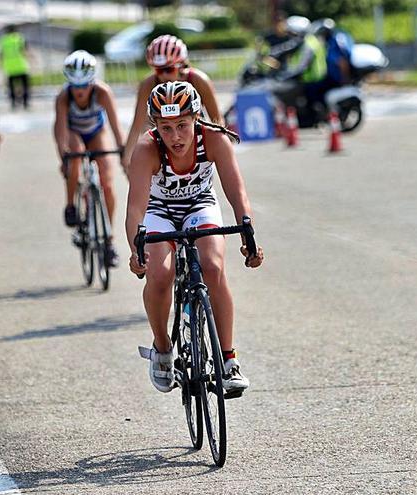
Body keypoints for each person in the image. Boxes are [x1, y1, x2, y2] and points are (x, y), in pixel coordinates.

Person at [125, 81, 264, 394]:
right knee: (160, 275)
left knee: (213, 267)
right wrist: (136, 249)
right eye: (166, 127)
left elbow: (236, 191)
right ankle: (162, 348)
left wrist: (248, 235)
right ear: (156, 126)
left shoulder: (214, 139)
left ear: (196, 119)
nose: (175, 137)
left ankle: (228, 360)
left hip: (200, 204)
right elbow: (136, 207)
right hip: (159, 210)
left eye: (182, 126)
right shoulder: (147, 148)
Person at [53, 50, 126, 267]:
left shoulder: (102, 92)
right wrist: (63, 158)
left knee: (107, 181)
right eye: (75, 87)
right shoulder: (63, 97)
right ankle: (70, 206)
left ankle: (109, 241)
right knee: (74, 156)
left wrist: (122, 150)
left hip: (96, 131)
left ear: (91, 82)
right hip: (73, 131)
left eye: (84, 86)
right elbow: (61, 132)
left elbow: (115, 126)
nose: (80, 91)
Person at [124, 35, 223, 168]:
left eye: (169, 69)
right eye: (159, 70)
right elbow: (137, 125)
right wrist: (127, 159)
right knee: (148, 129)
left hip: (192, 133)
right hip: (164, 134)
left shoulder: (199, 80)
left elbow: (217, 121)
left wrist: (222, 151)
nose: (163, 75)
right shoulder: (148, 84)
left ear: (182, 65)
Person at [277, 16, 328, 117]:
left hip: (312, 79)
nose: (290, 36)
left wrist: (285, 76)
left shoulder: (308, 45)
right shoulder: (308, 40)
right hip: (313, 77)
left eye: (291, 33)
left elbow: (302, 66)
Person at [0, 25, 31, 110]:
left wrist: (1, 65)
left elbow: (1, 54)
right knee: (25, 86)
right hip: (21, 65)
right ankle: (25, 103)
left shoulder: (4, 40)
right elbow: (25, 50)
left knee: (11, 87)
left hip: (10, 67)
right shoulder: (19, 38)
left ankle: (13, 103)